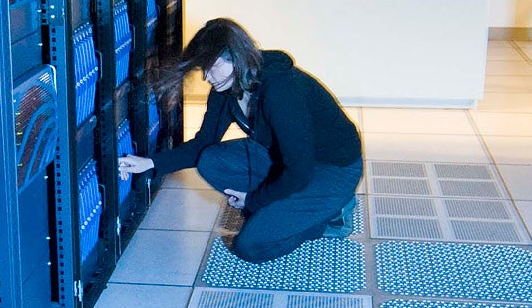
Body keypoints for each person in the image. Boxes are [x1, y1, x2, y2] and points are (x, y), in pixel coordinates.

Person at [120, 18, 363, 262]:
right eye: (202, 69)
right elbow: (203, 144)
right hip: (284, 160)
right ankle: (285, 209)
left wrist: (255, 200)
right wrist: (149, 163)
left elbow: (298, 170)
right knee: (211, 160)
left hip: (333, 169)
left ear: (236, 57)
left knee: (250, 246)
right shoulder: (226, 88)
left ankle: (330, 214)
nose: (206, 77)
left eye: (211, 67)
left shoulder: (281, 91)